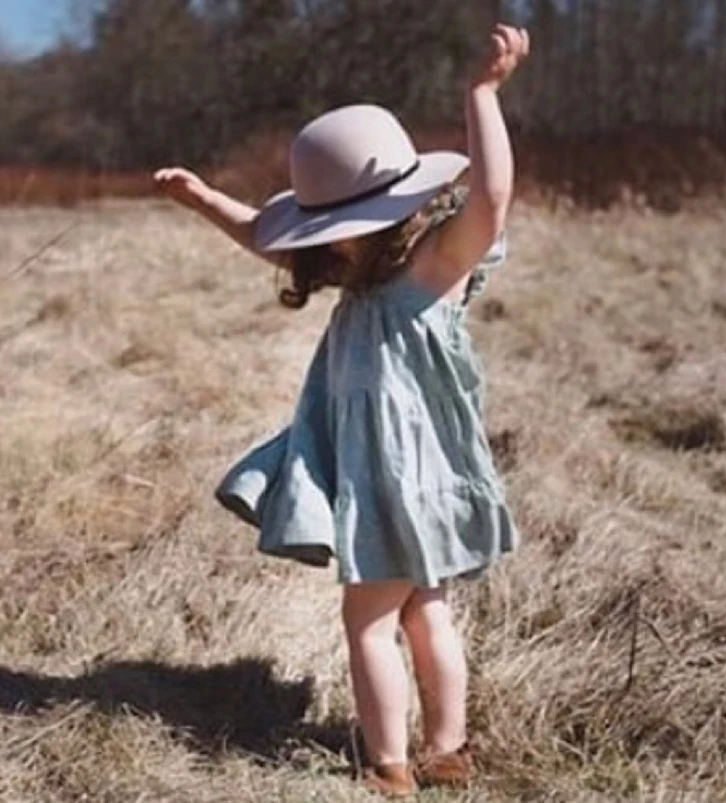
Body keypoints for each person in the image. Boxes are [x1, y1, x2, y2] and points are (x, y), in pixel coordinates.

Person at [154, 23, 529, 797]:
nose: (327, 246)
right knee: (425, 611)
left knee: (369, 621)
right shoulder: (368, 275)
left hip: (397, 479)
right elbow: (263, 236)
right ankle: (446, 748)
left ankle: (390, 764)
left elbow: (492, 198)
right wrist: (202, 200)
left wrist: (482, 95)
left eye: (333, 232)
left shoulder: (433, 268)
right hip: (415, 476)